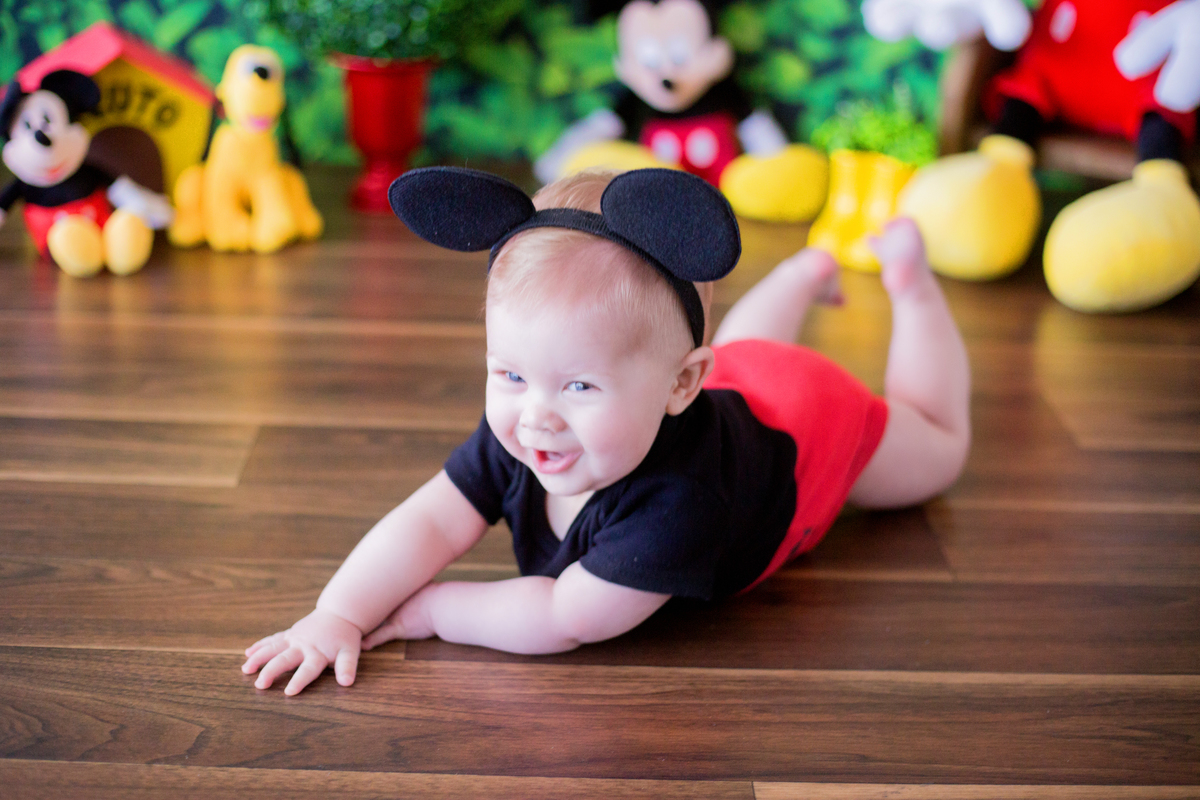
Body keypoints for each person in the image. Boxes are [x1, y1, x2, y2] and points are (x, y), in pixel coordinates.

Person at [242, 167, 970, 696]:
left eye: (579, 386)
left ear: (679, 385)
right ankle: (806, 273)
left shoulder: (679, 502)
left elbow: (563, 613)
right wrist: (336, 612)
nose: (536, 416)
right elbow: (432, 517)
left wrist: (431, 607)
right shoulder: (538, 424)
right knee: (745, 358)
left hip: (810, 429)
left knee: (936, 449)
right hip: (734, 378)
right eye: (510, 374)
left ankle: (911, 284)